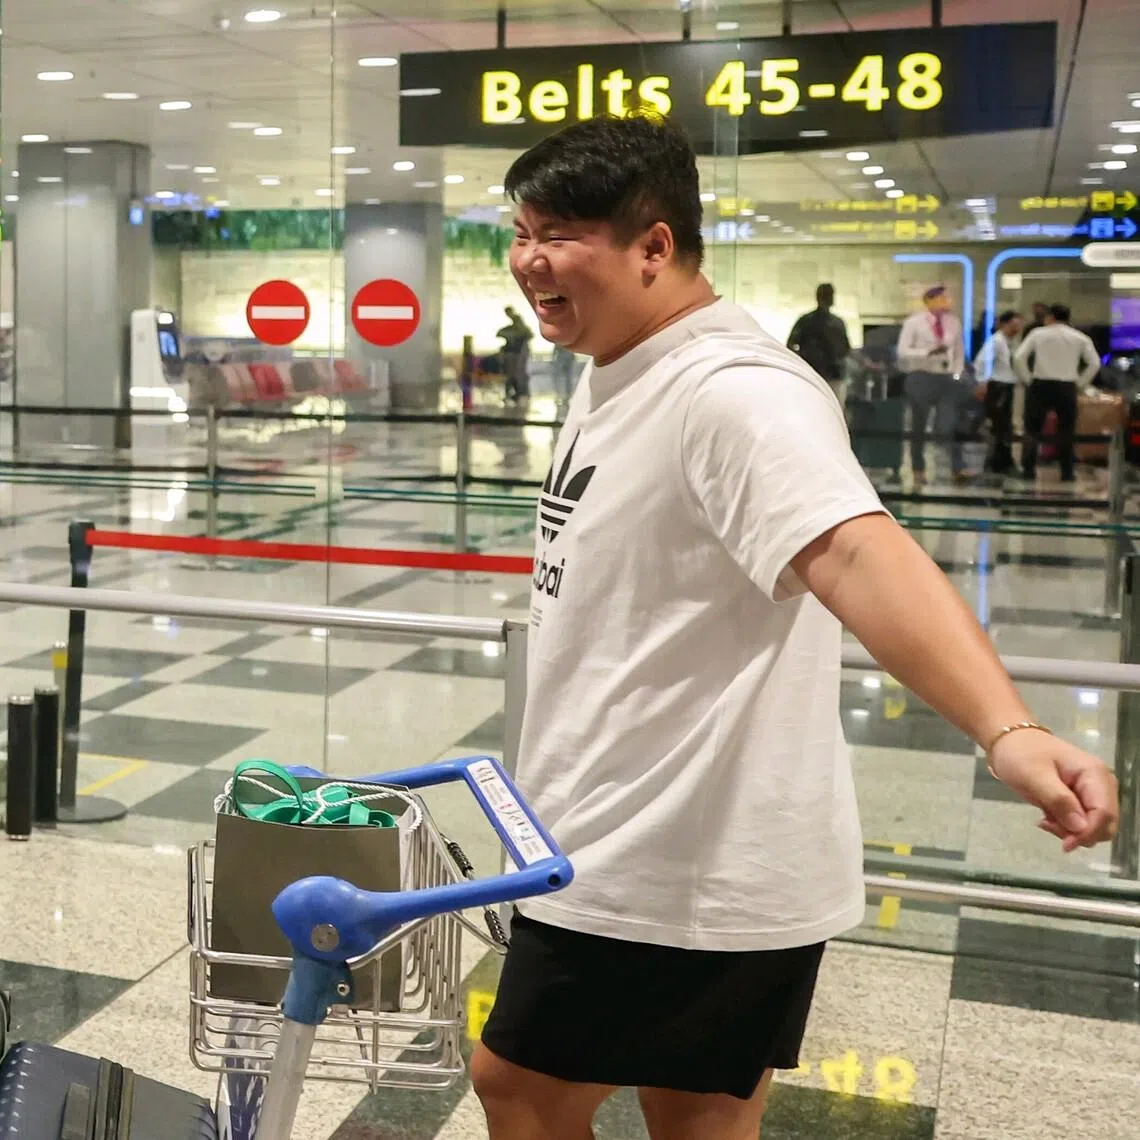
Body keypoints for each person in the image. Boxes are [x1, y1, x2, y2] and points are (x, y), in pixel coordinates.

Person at [473, 112, 1118, 1140]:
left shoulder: (734, 392)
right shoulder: (617, 365)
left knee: (520, 1087)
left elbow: (858, 552)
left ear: (654, 246)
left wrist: (1010, 731)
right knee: (694, 1112)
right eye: (519, 232)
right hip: (630, 833)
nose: (528, 260)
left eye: (559, 235)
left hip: (672, 857)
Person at [1014, 302, 1101, 483]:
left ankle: (1028, 470)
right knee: (1066, 431)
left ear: (1051, 317)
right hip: (1067, 387)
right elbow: (1094, 363)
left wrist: (1028, 380)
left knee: (1032, 429)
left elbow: (1019, 357)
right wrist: (1080, 383)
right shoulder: (1080, 337)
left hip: (1040, 385)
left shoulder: (1037, 334)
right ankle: (1067, 472)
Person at [897, 285, 968, 485]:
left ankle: (957, 467)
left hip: (946, 377)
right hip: (921, 376)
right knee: (919, 425)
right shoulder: (914, 323)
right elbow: (903, 351)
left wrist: (957, 372)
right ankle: (918, 468)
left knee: (950, 422)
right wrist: (926, 353)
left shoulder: (954, 322)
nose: (946, 302)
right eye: (941, 298)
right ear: (929, 301)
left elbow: (959, 351)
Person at [973, 309, 1024, 476]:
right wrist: (982, 382)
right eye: (1013, 325)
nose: (1016, 330)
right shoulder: (996, 341)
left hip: (1007, 385)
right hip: (998, 387)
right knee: (1000, 426)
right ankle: (998, 462)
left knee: (1004, 426)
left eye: (1019, 326)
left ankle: (1001, 461)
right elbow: (981, 362)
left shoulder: (1011, 342)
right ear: (1003, 324)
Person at [786, 283, 850, 405]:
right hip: (818, 374)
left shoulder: (809, 321)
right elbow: (791, 344)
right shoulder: (810, 321)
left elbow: (845, 349)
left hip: (826, 374)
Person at [497, 305, 534, 402]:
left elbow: (526, 334)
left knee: (516, 374)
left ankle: (518, 393)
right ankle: (515, 393)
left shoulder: (518, 322)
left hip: (517, 353)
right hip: (514, 353)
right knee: (513, 374)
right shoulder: (514, 326)